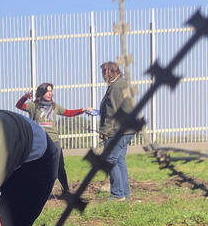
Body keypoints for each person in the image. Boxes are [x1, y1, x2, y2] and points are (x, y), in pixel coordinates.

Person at [15, 82, 90, 194]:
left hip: (54, 141)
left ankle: (66, 190)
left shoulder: (55, 106)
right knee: (38, 167)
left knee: (59, 167)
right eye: (48, 91)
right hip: (40, 142)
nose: (50, 93)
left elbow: (68, 113)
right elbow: (19, 106)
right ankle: (37, 191)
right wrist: (25, 97)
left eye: (51, 91)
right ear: (42, 93)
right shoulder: (33, 106)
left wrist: (82, 110)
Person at [94, 62, 136, 201]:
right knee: (119, 160)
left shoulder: (116, 86)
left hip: (118, 130)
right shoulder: (122, 83)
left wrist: (104, 130)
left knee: (110, 159)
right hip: (126, 129)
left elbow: (112, 110)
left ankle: (117, 194)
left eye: (102, 73)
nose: (102, 76)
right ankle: (125, 194)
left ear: (108, 72)